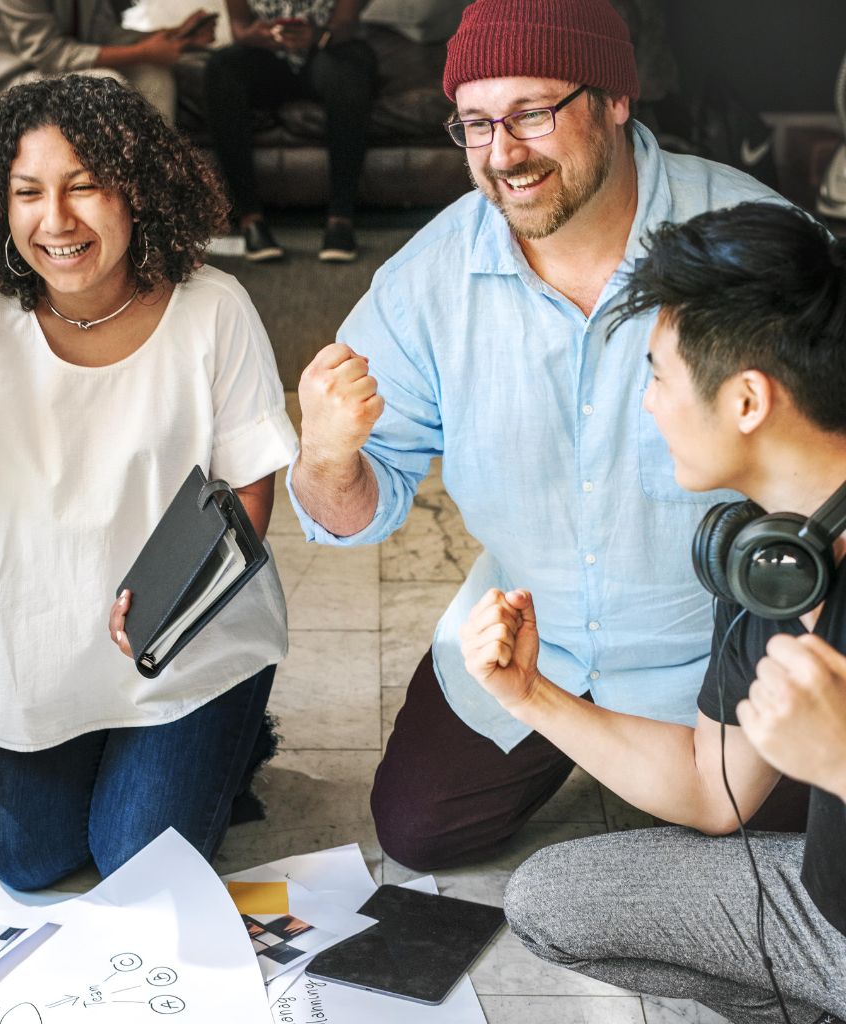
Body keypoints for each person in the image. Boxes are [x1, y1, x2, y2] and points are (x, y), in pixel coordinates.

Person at [287, 0, 807, 872]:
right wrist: (326, 458)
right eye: (476, 123)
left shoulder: (757, 246)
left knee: (785, 848)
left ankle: (671, 773)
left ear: (613, 99)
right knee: (418, 831)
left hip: (718, 641)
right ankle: (604, 751)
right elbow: (356, 509)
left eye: (531, 113)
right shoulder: (426, 279)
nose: (503, 153)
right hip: (535, 635)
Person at [0, 74, 299, 889]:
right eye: (28, 193)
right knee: (27, 858)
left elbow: (250, 490)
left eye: (85, 187)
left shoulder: (213, 307)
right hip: (40, 644)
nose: (56, 221)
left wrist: (174, 606)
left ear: (138, 192)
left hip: (185, 642)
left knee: (133, 859)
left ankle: (232, 731)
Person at [462, 202, 846, 1024]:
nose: (648, 404)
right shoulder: (770, 556)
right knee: (555, 899)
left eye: (659, 376)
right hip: (828, 911)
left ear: (746, 401)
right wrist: (531, 696)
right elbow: (716, 790)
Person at [203, 0, 377, 262]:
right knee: (221, 67)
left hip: (324, 54)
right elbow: (240, 29)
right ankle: (252, 221)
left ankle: (341, 219)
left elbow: (345, 23)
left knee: (352, 66)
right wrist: (258, 36)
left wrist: (316, 34)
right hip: (268, 58)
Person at [0, 0, 217, 125]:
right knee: (105, 85)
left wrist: (174, 35)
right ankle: (108, 195)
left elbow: (104, 34)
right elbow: (48, 52)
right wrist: (146, 51)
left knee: (153, 75)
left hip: (38, 69)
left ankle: (151, 199)